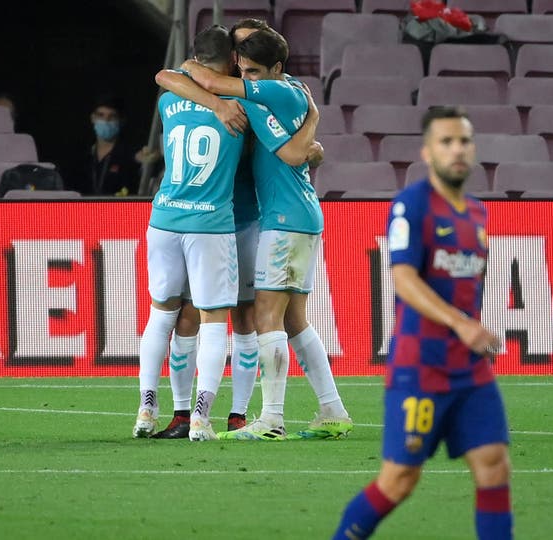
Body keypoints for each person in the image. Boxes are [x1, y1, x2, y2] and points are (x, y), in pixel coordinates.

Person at [331, 106, 511, 539]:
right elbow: (404, 278)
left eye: (464, 141)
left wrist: (471, 330)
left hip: (469, 369)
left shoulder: (477, 213)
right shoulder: (411, 205)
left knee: (493, 465)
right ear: (427, 153)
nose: (457, 150)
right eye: (446, 142)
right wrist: (460, 323)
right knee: (399, 480)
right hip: (421, 367)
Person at [151, 19, 331, 440]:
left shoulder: (260, 93)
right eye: (239, 54)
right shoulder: (232, 92)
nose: (242, 63)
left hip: (255, 217)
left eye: (249, 56)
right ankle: (188, 414)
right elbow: (167, 75)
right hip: (220, 220)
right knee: (225, 316)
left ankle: (252, 416)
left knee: (252, 317)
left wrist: (311, 133)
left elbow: (294, 151)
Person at [69, 93, 158, 196]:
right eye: (101, 115)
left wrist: (150, 160)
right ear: (93, 118)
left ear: (121, 121)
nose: (106, 120)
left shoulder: (131, 155)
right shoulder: (83, 156)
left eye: (112, 116)